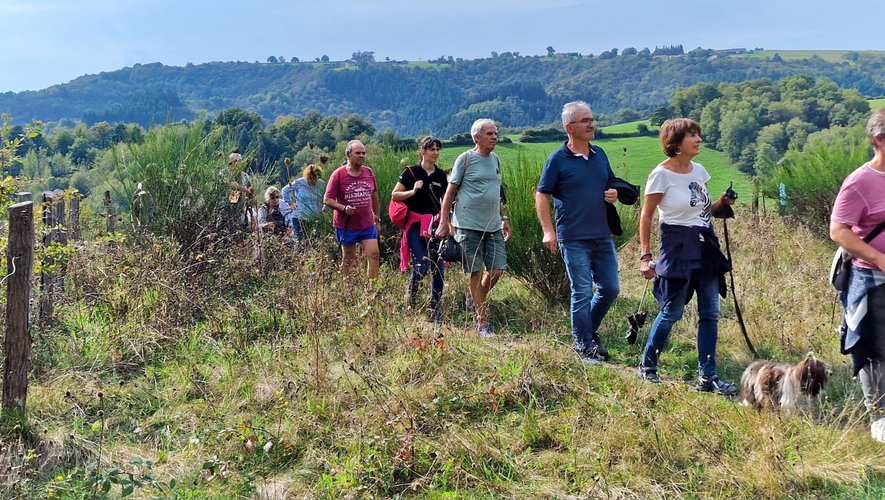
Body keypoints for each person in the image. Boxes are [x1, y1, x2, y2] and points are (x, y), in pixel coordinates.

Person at [637, 118, 737, 394]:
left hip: (705, 246)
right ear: (676, 143)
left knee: (710, 313)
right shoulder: (661, 175)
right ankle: (648, 366)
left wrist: (721, 204)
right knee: (672, 310)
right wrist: (645, 255)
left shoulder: (699, 171)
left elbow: (702, 212)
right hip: (677, 247)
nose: (699, 139)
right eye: (693, 135)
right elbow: (646, 216)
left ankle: (707, 376)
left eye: (698, 134)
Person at [535, 101, 621, 364]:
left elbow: (611, 183)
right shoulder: (557, 159)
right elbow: (541, 195)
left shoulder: (600, 154)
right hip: (572, 236)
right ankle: (583, 346)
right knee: (582, 291)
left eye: (591, 119)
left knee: (610, 288)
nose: (591, 124)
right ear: (569, 127)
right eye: (585, 120)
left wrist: (614, 193)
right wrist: (548, 231)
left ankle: (588, 332)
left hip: (602, 234)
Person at [830, 108, 885, 442]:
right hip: (873, 278)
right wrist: (879, 258)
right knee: (874, 347)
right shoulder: (859, 182)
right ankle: (879, 415)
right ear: (880, 139)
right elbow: (838, 230)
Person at [436, 119, 511, 337]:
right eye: (489, 133)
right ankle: (482, 322)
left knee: (497, 269)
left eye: (495, 133)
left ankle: (474, 298)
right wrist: (444, 221)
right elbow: (450, 192)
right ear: (477, 137)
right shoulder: (465, 159)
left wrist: (504, 217)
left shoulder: (495, 159)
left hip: (493, 225)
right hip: (468, 225)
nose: (494, 137)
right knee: (474, 272)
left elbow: (496, 193)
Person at [391, 136, 448, 321]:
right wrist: (413, 191)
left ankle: (434, 310)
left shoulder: (441, 175)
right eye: (432, 149)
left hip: (435, 226)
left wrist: (446, 222)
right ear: (422, 151)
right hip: (416, 226)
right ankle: (410, 301)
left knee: (438, 268)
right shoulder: (410, 172)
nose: (435, 153)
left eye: (438, 149)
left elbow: (445, 201)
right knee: (421, 266)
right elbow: (395, 195)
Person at [323, 140, 381, 282]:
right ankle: (347, 286)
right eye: (358, 153)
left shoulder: (369, 172)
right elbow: (327, 200)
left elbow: (374, 196)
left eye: (363, 153)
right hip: (346, 225)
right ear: (348, 155)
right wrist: (343, 208)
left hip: (367, 224)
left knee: (374, 254)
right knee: (349, 257)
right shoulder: (338, 174)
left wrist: (377, 217)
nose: (362, 155)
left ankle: (372, 289)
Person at [283, 163, 326, 245]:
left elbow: (325, 197)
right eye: (311, 179)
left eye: (315, 178)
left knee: (315, 242)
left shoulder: (321, 184)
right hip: (300, 218)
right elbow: (285, 190)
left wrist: (324, 210)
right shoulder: (299, 183)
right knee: (301, 242)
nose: (313, 181)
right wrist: (290, 203)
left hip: (315, 218)